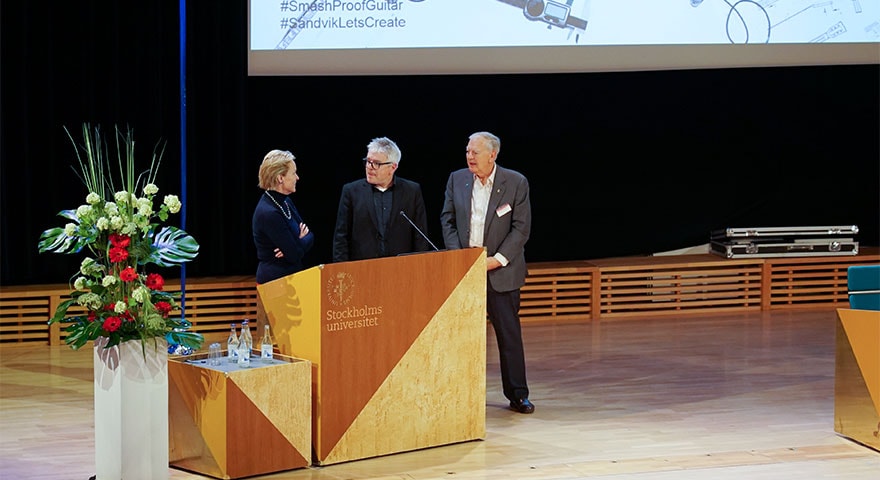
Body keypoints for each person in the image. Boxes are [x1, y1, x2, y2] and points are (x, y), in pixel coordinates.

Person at [440, 131, 535, 414]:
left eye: (475, 152)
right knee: (460, 337)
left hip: (500, 271)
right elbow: (447, 220)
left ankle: (518, 394)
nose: (469, 157)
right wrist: (461, 257)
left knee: (508, 337)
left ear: (492, 155)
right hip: (465, 271)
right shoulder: (457, 179)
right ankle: (459, 396)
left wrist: (496, 260)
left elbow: (521, 228)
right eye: (467, 151)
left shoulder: (515, 182)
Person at [332, 136, 433, 262]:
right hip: (362, 268)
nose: (369, 167)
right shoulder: (351, 191)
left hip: (401, 268)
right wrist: (342, 269)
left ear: (393, 167)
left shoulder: (412, 191)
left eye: (376, 163)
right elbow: (341, 238)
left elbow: (420, 238)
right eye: (368, 161)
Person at [252, 149, 315, 284]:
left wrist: (293, 245)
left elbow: (310, 236)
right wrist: (298, 241)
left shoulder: (286, 201)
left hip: (292, 278)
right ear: (280, 178)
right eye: (293, 173)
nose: (297, 177)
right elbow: (294, 255)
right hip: (275, 282)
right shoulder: (268, 213)